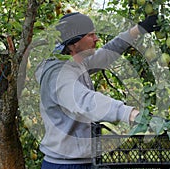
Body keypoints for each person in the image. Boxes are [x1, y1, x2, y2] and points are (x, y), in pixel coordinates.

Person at [35, 12, 160, 169]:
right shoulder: (58, 74)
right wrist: (130, 114)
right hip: (66, 165)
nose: (97, 39)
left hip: (84, 161)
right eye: (90, 35)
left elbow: (108, 53)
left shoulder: (77, 62)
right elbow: (85, 101)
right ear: (73, 44)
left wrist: (138, 30)